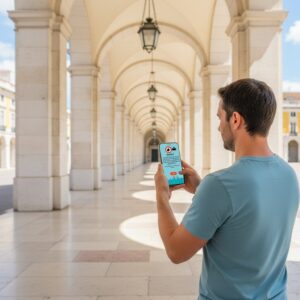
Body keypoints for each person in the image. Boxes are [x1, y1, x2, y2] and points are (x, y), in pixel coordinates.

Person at [154, 78, 299, 300]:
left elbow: (176, 251)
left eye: (220, 118)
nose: (218, 126)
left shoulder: (220, 185)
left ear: (235, 119)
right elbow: (247, 219)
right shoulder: (288, 175)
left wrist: (161, 196)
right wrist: (202, 189)